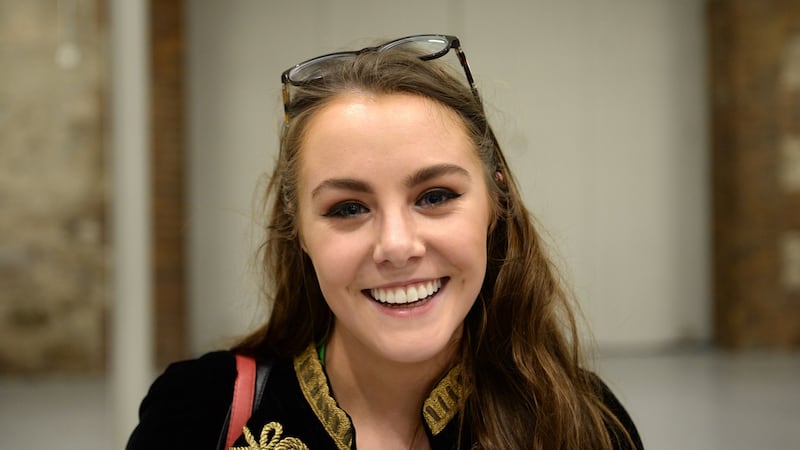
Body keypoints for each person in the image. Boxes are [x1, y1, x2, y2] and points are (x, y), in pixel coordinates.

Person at [127, 34, 643, 450]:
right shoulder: (199, 414)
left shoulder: (581, 423)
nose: (397, 246)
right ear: (298, 229)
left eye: (435, 196)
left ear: (495, 202)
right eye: (348, 208)